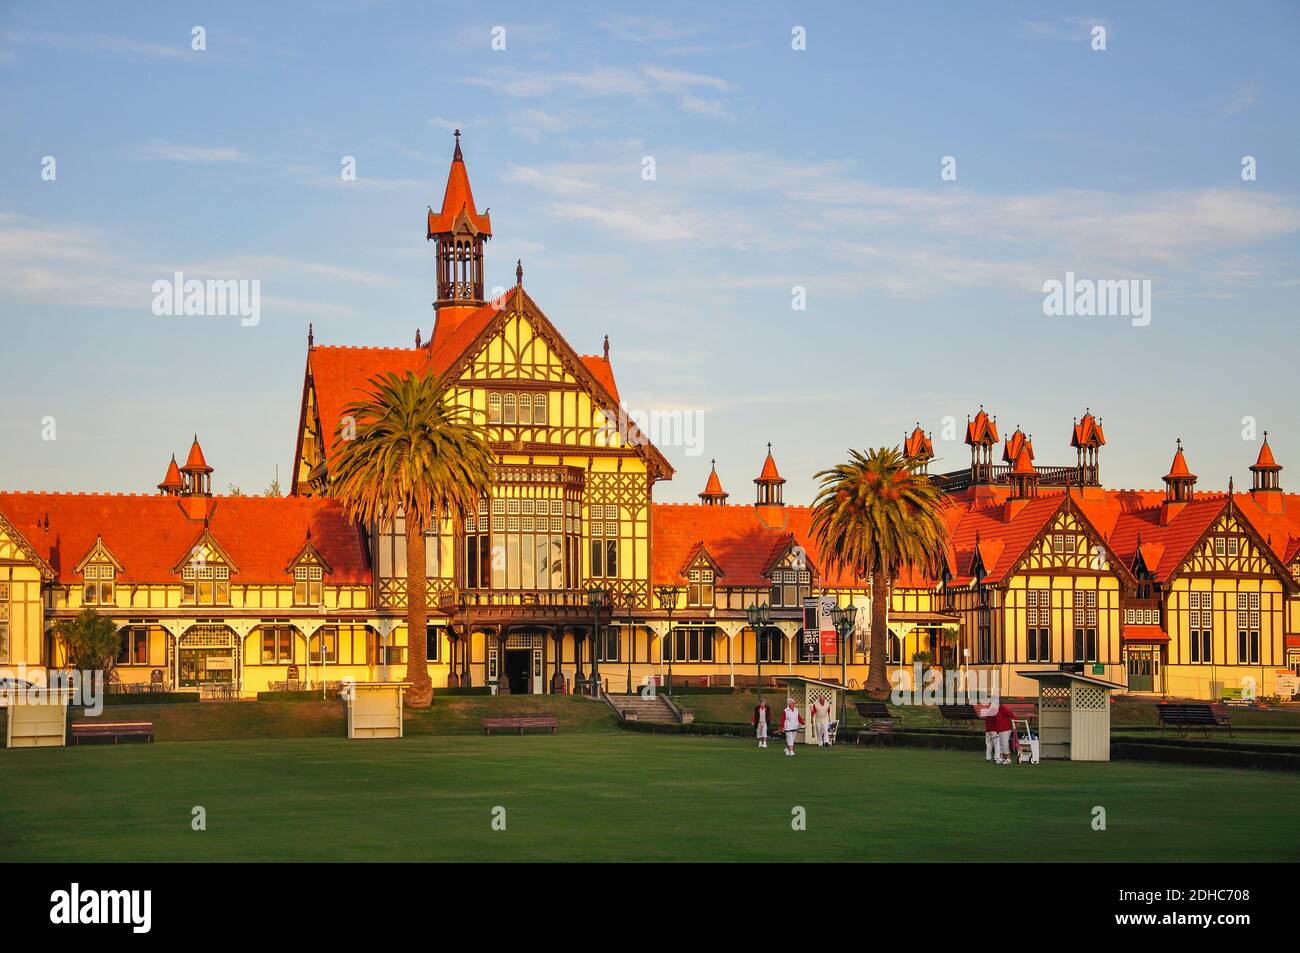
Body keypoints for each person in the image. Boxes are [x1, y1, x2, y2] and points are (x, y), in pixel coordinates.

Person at [981, 700, 1014, 765]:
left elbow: (1011, 714)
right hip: (1000, 729)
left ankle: (1008, 758)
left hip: (1005, 729)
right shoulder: (995, 710)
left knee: (1004, 744)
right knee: (1001, 744)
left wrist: (1015, 722)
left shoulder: (1001, 708)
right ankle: (1002, 758)